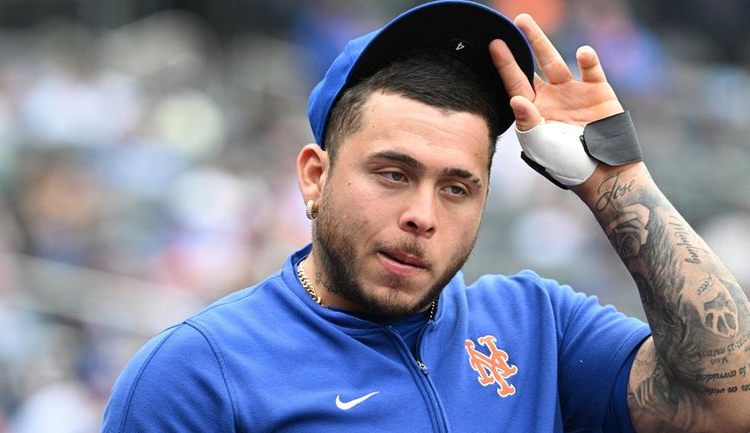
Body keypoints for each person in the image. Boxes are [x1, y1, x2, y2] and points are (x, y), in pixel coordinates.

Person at [102, 1, 750, 432]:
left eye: (457, 187)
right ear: (314, 176)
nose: (422, 215)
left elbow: (728, 401)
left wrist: (617, 180)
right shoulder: (197, 373)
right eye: (394, 174)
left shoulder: (538, 327)